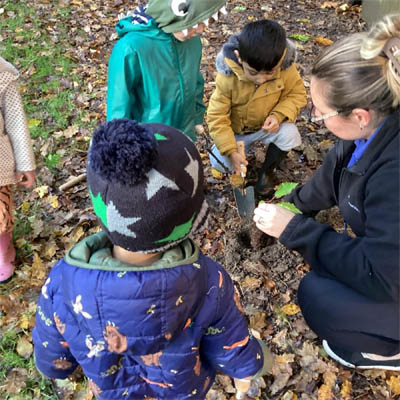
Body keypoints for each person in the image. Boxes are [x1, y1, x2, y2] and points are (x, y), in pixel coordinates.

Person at [33, 119, 272, 399]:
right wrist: (253, 367)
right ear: (190, 219)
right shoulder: (208, 281)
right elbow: (230, 347)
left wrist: (57, 371)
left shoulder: (63, 281)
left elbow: (52, 355)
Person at [253, 14, 400, 370]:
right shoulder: (369, 132)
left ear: (360, 116)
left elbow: (380, 275)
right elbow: (331, 178)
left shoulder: (394, 174)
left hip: (391, 277)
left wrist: (296, 231)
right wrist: (293, 207)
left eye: (319, 113)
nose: (313, 115)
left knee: (318, 297)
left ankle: (389, 350)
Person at [207, 19, 307, 195]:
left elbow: (297, 95)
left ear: (282, 58)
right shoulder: (228, 77)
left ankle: (266, 172)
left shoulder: (286, 69)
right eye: (253, 73)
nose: (261, 79)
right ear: (239, 57)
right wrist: (230, 150)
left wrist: (278, 115)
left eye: (269, 73)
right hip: (236, 133)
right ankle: (239, 165)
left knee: (290, 134)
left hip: (266, 127)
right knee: (218, 162)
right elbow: (217, 116)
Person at [106, 0, 227, 142]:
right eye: (196, 22)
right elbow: (118, 109)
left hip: (183, 136)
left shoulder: (191, 41)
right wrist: (122, 148)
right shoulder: (130, 48)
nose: (200, 30)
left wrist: (196, 116)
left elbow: (195, 80)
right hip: (147, 141)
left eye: (203, 22)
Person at [0, 56, 36, 283]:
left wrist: (25, 163)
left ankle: (3, 251)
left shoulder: (2, 72)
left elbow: (15, 120)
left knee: (0, 213)